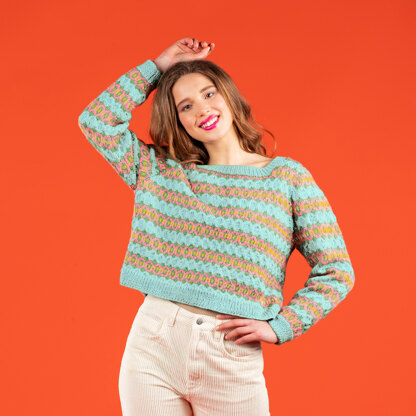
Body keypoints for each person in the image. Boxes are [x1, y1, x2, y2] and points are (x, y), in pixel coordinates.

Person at [78, 37, 355, 416]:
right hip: (154, 344)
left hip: (231, 353)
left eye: (209, 94)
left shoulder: (286, 178)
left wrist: (284, 325)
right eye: (186, 106)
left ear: (229, 96)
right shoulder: (160, 172)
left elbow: (336, 270)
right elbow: (97, 121)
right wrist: (157, 67)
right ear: (178, 120)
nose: (202, 109)